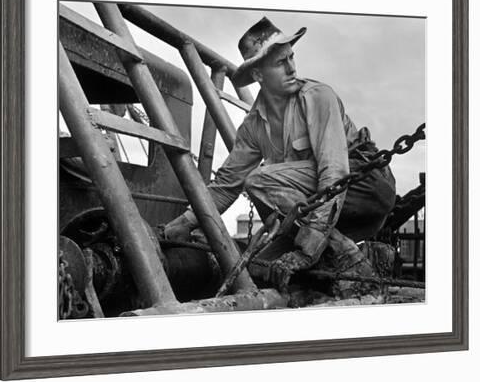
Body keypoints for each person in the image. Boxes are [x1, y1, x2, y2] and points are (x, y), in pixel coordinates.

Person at [164, 17, 396, 292]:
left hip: (365, 186)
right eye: (280, 62)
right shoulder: (253, 127)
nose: (292, 68)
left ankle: (347, 258)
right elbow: (226, 187)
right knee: (259, 270)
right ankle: (340, 269)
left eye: (291, 57)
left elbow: (334, 174)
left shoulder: (318, 97)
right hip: (317, 210)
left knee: (260, 180)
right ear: (259, 75)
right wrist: (184, 223)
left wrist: (308, 250)